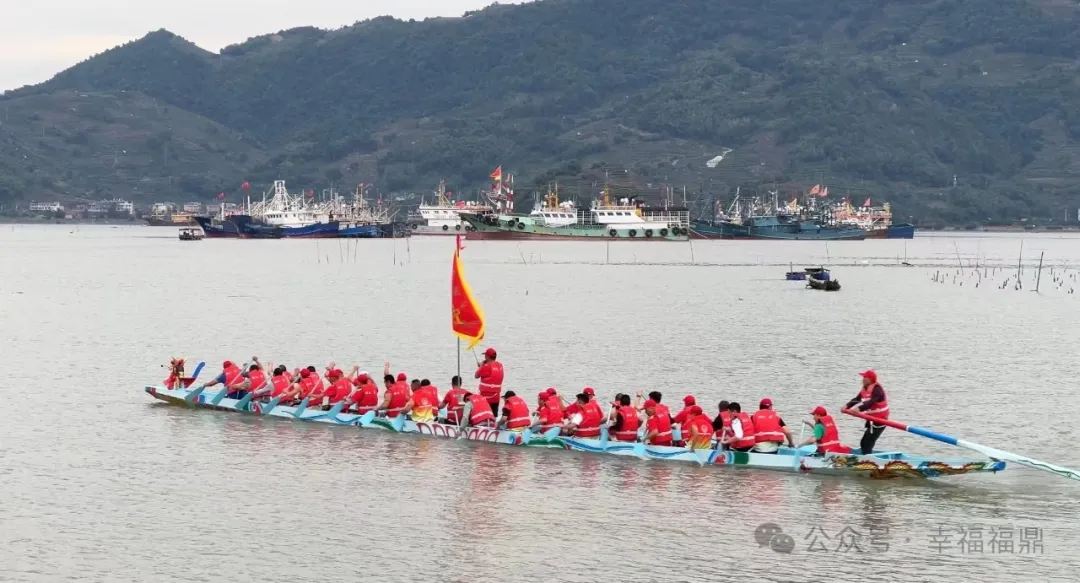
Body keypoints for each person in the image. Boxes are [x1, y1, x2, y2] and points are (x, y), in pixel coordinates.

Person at [844, 370, 890, 455]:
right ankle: (866, 457)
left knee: (868, 443)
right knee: (863, 443)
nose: (862, 379)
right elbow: (857, 399)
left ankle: (867, 462)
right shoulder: (865, 388)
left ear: (870, 379)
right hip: (871, 420)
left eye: (864, 377)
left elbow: (871, 402)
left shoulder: (877, 390)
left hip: (880, 421)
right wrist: (847, 406)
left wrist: (859, 409)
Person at [474, 347, 504, 416]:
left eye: (485, 356)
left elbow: (476, 375)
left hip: (486, 398)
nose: (484, 357)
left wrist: (481, 366)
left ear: (487, 357)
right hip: (496, 397)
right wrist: (483, 366)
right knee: (494, 416)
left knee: (484, 416)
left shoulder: (486, 367)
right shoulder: (500, 366)